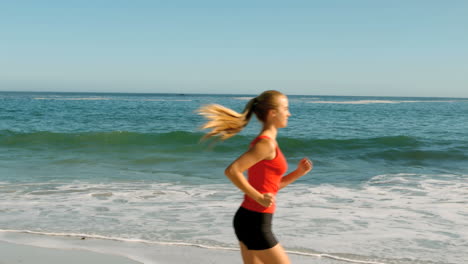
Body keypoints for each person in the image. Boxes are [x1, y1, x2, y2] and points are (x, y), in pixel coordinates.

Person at [198, 90, 313, 264]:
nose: (289, 113)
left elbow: (270, 187)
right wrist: (259, 198)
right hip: (255, 223)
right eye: (286, 108)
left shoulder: (269, 143)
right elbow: (232, 171)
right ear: (273, 113)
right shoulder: (265, 144)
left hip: (250, 219)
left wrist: (298, 173)